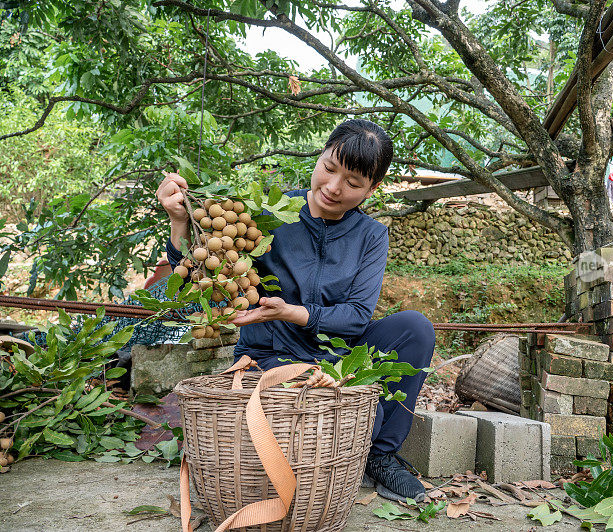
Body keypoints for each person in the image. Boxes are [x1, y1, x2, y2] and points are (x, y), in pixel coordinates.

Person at [156, 119, 435, 503]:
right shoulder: (267, 215)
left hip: (340, 356)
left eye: (353, 183)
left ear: (373, 188)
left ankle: (380, 456)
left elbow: (356, 316)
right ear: (319, 157)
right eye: (329, 168)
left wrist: (290, 311)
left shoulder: (371, 236)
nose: (333, 188)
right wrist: (178, 223)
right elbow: (204, 293)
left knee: (415, 328)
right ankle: (355, 432)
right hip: (271, 358)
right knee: (319, 428)